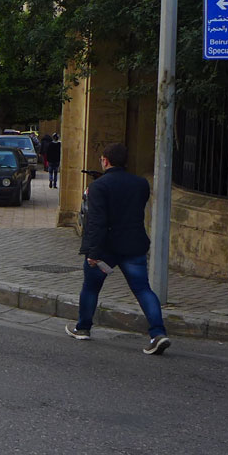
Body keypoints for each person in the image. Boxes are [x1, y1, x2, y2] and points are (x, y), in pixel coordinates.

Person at [69, 143, 171, 355]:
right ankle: (158, 333)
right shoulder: (141, 184)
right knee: (143, 289)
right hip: (133, 245)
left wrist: (93, 253)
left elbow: (96, 222)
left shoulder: (99, 186)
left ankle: (83, 328)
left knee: (90, 287)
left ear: (105, 161)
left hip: (105, 247)